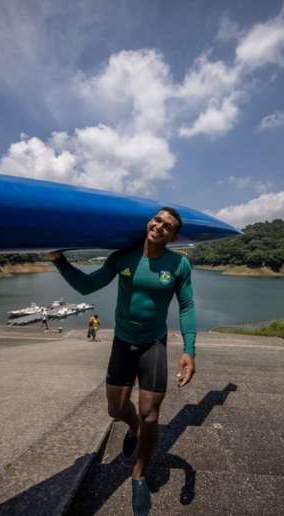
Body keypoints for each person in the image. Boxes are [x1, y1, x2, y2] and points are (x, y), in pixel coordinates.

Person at [48, 207, 196, 516]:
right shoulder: (123, 256)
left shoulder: (179, 264)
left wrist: (189, 350)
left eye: (167, 226)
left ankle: (139, 474)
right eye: (157, 220)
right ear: (149, 222)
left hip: (153, 344)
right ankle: (133, 428)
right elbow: (88, 286)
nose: (159, 226)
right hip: (123, 343)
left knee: (152, 414)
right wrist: (59, 260)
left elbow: (186, 307)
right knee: (116, 410)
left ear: (174, 236)